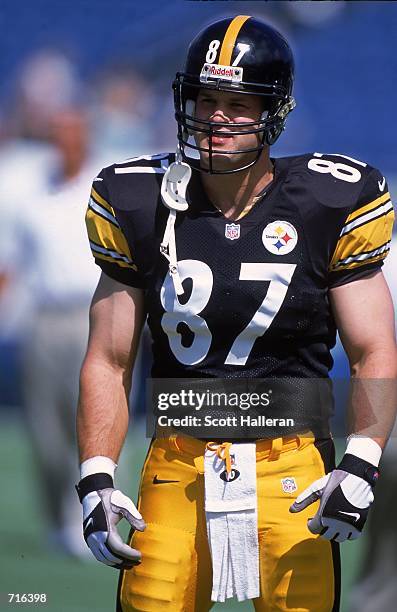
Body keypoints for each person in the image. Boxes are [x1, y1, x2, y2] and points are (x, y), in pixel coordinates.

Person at [76, 15, 397, 612]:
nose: (216, 117)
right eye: (206, 98)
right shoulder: (139, 198)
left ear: (273, 112)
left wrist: (361, 461)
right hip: (179, 459)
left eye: (237, 102)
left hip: (293, 462)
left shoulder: (332, 200)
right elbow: (109, 356)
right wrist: (97, 474)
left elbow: (374, 348)